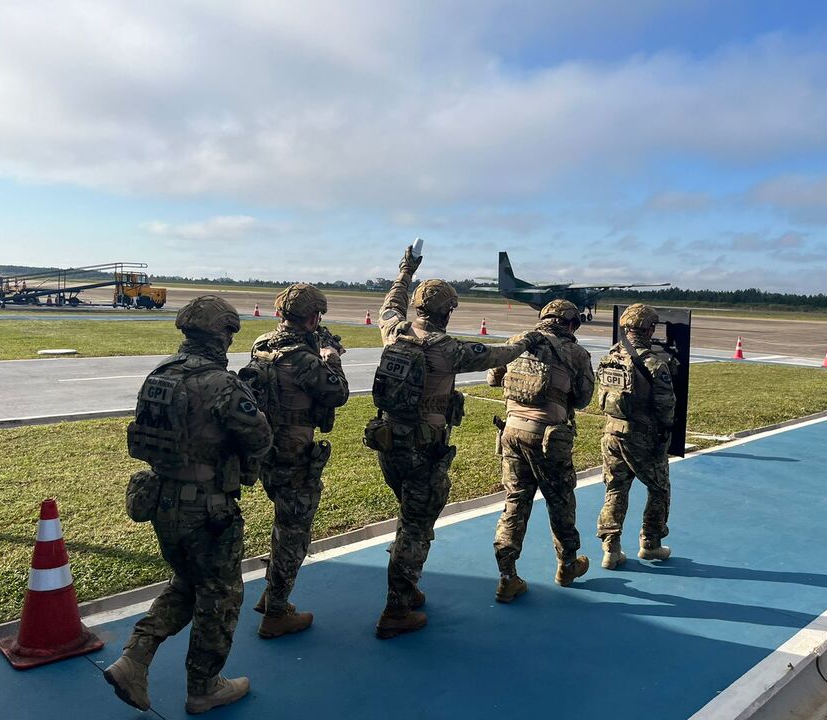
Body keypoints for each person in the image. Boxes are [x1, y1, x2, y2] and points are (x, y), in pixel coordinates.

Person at [365, 246, 545, 638]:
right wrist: (529, 338)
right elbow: (502, 352)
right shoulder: (452, 351)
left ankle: (407, 589)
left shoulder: (394, 331)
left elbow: (389, 304)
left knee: (408, 516)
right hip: (424, 448)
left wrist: (405, 271)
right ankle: (396, 610)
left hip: (388, 442)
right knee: (415, 527)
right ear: (447, 311)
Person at [105, 296, 272, 715]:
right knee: (221, 593)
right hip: (208, 508)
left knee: (187, 581)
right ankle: (204, 686)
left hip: (162, 499)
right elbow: (260, 438)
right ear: (222, 333)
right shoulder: (221, 383)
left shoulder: (159, 375)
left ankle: (135, 656)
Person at [239, 284, 349, 638]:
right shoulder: (305, 360)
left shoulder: (263, 345)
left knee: (283, 522)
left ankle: (271, 592)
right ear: (314, 317)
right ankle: (276, 612)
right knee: (294, 532)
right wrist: (332, 359)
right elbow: (338, 393)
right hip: (294, 453)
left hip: (266, 448)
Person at [486, 299, 595, 602]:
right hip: (548, 438)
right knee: (560, 500)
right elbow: (584, 398)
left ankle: (507, 576)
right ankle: (568, 565)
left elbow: (493, 378)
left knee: (515, 501)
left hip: (511, 432)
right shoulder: (576, 353)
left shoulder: (517, 342)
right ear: (571, 323)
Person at [596, 303, 678, 569]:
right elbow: (666, 405)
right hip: (641, 436)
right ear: (650, 329)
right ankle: (651, 544)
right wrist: (665, 433)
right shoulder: (654, 363)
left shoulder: (609, 357)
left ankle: (611, 549)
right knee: (658, 488)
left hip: (611, 432)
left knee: (615, 488)